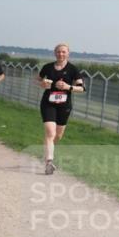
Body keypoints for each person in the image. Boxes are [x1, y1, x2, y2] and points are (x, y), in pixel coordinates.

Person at [38, 43, 85, 175]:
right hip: (48, 103)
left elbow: (82, 88)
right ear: (55, 53)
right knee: (50, 133)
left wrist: (67, 87)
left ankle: (48, 150)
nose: (61, 54)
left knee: (57, 136)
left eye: (63, 52)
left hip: (64, 105)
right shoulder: (47, 67)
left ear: (68, 53)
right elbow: (38, 79)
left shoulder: (73, 70)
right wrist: (42, 84)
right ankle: (49, 162)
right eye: (58, 52)